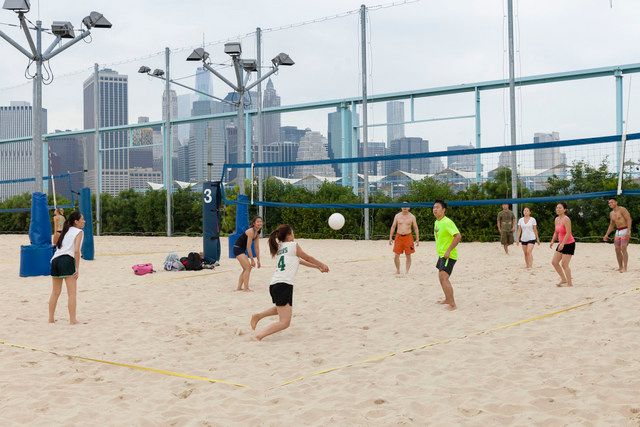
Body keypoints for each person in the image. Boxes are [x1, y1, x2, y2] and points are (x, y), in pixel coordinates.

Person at [250, 224, 329, 341]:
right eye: (292, 232)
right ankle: (259, 336)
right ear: (288, 236)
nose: (294, 234)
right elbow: (307, 257)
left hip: (275, 284)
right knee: (285, 322)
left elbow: (299, 261)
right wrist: (321, 264)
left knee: (281, 309)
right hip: (283, 285)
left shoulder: (280, 247)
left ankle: (258, 316)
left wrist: (317, 267)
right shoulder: (293, 245)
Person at [49, 211, 85, 324]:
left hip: (55, 260)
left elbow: (55, 243)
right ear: (76, 221)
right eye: (82, 219)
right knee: (72, 293)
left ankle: (50, 319)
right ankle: (73, 320)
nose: (84, 221)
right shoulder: (79, 231)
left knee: (55, 292)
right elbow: (76, 251)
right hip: (66, 260)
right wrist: (77, 268)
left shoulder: (66, 230)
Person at [432, 200, 461, 310]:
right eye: (434, 207)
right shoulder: (437, 222)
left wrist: (448, 250)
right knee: (440, 277)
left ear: (443, 210)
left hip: (449, 255)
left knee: (444, 278)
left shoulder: (447, 222)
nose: (435, 209)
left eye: (437, 207)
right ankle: (447, 299)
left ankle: (452, 304)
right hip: (441, 255)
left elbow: (458, 236)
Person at [233, 216, 263, 291]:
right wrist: (252, 259)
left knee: (245, 269)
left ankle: (239, 288)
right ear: (254, 223)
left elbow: (256, 247)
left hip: (242, 249)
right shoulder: (251, 231)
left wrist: (258, 260)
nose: (259, 223)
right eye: (258, 221)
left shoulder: (258, 231)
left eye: (260, 221)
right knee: (248, 268)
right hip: (237, 248)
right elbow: (248, 247)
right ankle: (246, 288)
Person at [388, 203, 420, 275]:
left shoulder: (412, 217)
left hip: (408, 237)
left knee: (408, 255)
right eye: (403, 206)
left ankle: (407, 271)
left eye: (406, 206)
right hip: (398, 237)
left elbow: (415, 227)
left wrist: (417, 239)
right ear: (401, 207)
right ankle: (398, 270)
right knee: (396, 255)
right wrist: (390, 237)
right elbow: (393, 226)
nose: (405, 207)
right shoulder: (397, 216)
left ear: (409, 207)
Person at [603, 198, 632, 273]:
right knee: (617, 249)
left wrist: (629, 230)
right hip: (618, 231)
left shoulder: (622, 209)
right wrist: (606, 234)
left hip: (625, 229)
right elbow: (611, 225)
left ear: (616, 202)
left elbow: (629, 219)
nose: (610, 204)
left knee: (623, 248)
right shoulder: (611, 213)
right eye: (609, 203)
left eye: (612, 202)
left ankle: (625, 268)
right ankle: (620, 267)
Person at [550, 202, 575, 287]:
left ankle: (569, 283)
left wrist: (563, 244)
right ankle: (563, 279)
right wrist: (553, 240)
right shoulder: (556, 219)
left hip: (569, 243)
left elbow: (568, 233)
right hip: (561, 243)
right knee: (554, 262)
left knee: (564, 264)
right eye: (557, 208)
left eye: (560, 208)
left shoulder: (566, 219)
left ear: (564, 210)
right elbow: (556, 232)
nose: (558, 209)